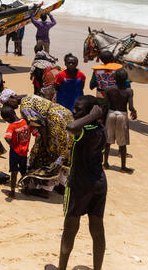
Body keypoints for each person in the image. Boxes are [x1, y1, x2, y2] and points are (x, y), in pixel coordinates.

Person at [58, 96, 107, 270]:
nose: (74, 111)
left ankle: (61, 268)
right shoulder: (101, 129)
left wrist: (92, 115)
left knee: (70, 228)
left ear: (90, 113)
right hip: (99, 183)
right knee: (97, 228)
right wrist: (93, 116)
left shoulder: (84, 130)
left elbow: (71, 127)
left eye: (78, 109)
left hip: (79, 185)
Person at [2, 93, 73, 195]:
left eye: (6, 103)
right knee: (63, 152)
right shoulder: (29, 97)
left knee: (51, 155)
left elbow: (41, 126)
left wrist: (46, 145)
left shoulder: (24, 108)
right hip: (66, 116)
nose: (8, 106)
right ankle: (61, 185)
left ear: (11, 98)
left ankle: (45, 189)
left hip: (55, 124)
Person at [103, 68, 136, 173]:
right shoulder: (129, 91)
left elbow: (105, 105)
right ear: (126, 79)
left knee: (108, 141)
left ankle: (105, 164)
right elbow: (130, 107)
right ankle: (123, 167)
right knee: (122, 142)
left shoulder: (108, 89)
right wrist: (134, 112)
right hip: (122, 115)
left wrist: (102, 118)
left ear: (114, 78)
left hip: (111, 114)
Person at [2, 105, 31, 199]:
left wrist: (13, 145)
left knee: (14, 172)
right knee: (23, 171)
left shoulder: (12, 126)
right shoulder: (25, 122)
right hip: (24, 151)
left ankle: (12, 192)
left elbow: (7, 138)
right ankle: (26, 189)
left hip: (15, 152)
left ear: (8, 118)